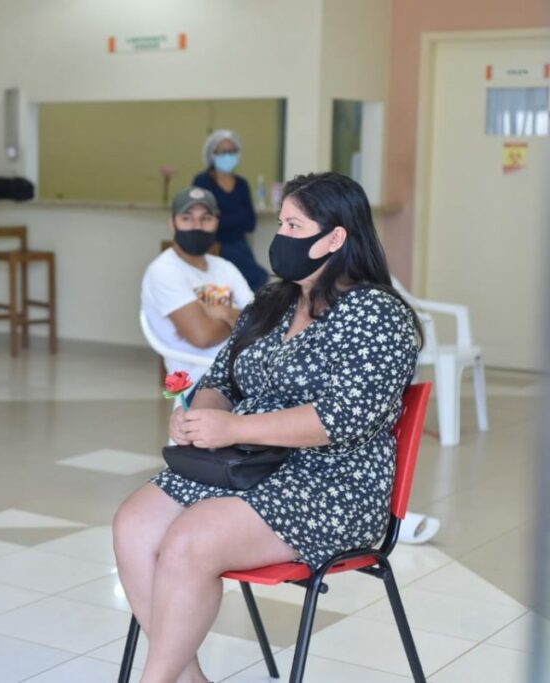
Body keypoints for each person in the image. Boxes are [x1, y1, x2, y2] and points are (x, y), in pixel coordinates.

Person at [114, 172, 421, 683]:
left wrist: (234, 426)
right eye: (281, 222)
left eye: (294, 224)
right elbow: (221, 379)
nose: (280, 236)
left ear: (335, 237)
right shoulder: (272, 302)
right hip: (248, 464)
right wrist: (200, 416)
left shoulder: (376, 314)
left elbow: (337, 419)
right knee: (134, 524)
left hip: (332, 484)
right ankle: (186, 678)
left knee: (191, 540)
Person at [141, 187, 254, 379]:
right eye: (187, 218)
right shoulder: (164, 270)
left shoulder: (225, 267)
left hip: (241, 365)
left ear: (216, 223)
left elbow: (258, 322)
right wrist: (237, 321)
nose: (197, 226)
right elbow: (203, 337)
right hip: (196, 377)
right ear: (173, 223)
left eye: (206, 219)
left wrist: (224, 312)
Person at [192, 130, 269, 292]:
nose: (228, 155)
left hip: (240, 245)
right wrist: (236, 216)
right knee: (258, 277)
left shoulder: (242, 184)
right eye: (223, 151)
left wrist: (223, 217)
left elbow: (250, 223)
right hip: (213, 245)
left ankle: (243, 317)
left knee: (252, 285)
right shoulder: (203, 181)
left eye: (232, 151)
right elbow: (204, 219)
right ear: (212, 154)